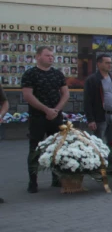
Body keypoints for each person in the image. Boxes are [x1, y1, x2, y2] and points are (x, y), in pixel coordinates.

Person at [22, 46, 69, 193]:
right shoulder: (30, 74)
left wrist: (56, 110)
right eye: (47, 55)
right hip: (38, 117)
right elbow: (28, 95)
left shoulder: (57, 74)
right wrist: (46, 110)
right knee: (35, 149)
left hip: (55, 117)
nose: (51, 58)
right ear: (38, 57)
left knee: (56, 148)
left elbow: (65, 94)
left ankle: (56, 178)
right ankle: (33, 181)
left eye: (52, 56)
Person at [84, 54, 112, 175]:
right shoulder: (93, 80)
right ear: (99, 64)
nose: (110, 65)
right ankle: (97, 167)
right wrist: (91, 119)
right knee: (99, 143)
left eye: (110, 63)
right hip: (101, 116)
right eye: (106, 62)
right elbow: (87, 100)